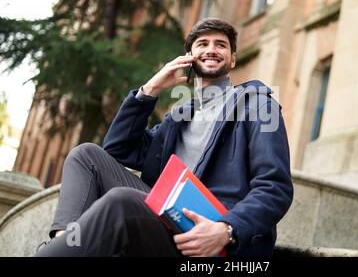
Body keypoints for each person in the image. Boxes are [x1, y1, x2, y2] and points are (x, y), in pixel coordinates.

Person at [35, 18, 293, 257]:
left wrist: (227, 229)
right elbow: (118, 148)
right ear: (189, 58)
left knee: (122, 200)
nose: (211, 49)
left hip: (210, 230)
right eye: (202, 44)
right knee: (85, 155)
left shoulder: (259, 106)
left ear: (233, 59)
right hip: (165, 216)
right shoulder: (178, 118)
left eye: (221, 45)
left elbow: (275, 187)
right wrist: (151, 89)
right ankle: (65, 243)